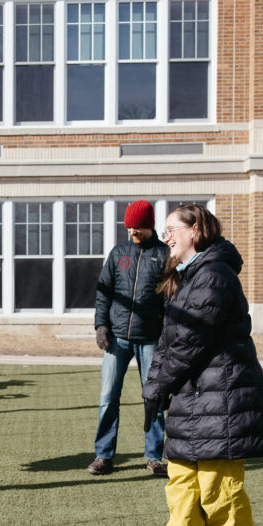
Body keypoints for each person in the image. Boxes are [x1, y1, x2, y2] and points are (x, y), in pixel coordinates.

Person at [139, 204, 263, 526]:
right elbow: (168, 340)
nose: (166, 238)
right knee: (181, 487)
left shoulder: (213, 275)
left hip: (221, 401)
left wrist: (156, 388)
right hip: (193, 398)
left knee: (218, 491)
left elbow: (189, 342)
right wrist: (155, 387)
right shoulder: (188, 276)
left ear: (195, 229)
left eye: (171, 229)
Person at [89, 200, 171, 477]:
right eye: (130, 226)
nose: (133, 230)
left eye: (138, 226)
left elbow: (172, 299)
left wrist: (167, 335)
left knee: (154, 399)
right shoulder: (118, 253)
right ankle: (104, 456)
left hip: (151, 340)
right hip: (117, 339)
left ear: (151, 225)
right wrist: (102, 326)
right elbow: (103, 293)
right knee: (107, 397)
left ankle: (154, 457)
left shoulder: (164, 254)